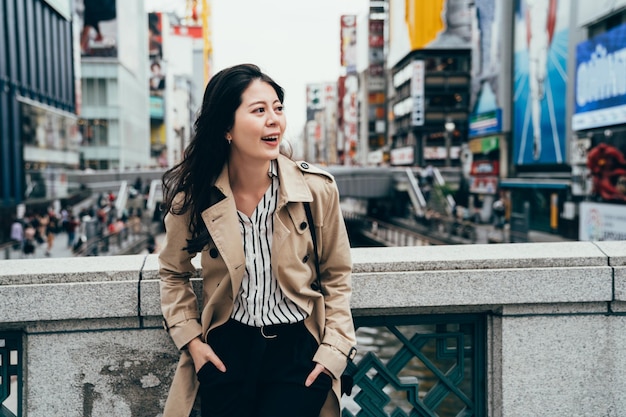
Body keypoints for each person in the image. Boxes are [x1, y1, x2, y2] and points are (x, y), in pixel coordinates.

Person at [158, 63, 356, 417]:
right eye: (259, 110)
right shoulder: (195, 198)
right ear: (226, 128)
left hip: (299, 353)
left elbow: (337, 276)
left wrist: (333, 354)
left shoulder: (315, 190)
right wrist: (193, 343)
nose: (274, 120)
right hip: (225, 352)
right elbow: (173, 272)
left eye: (278, 108)